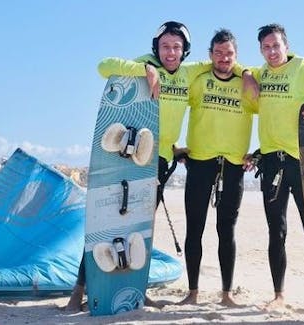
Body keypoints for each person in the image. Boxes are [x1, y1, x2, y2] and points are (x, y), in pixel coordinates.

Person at [66, 21, 209, 312]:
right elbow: (104, 66)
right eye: (165, 46)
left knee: (142, 228)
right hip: (130, 159)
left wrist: (245, 73)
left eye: (177, 47)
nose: (171, 52)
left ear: (185, 51)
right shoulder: (144, 63)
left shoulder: (188, 73)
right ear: (156, 48)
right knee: (106, 223)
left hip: (159, 160)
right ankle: (77, 293)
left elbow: (223, 59)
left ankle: (136, 291)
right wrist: (145, 70)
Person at [243, 23, 304, 312]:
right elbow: (243, 70)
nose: (271, 51)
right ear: (261, 50)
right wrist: (247, 76)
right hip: (271, 161)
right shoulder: (262, 73)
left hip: (302, 161)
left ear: (286, 46)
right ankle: (279, 294)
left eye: (276, 45)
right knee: (276, 231)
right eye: (266, 47)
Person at [179, 28, 256, 307]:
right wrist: (173, 146)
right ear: (210, 54)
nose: (224, 58)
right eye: (219, 53)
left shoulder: (247, 82)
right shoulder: (198, 81)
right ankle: (193, 292)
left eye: (230, 53)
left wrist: (259, 154)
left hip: (233, 166)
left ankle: (226, 294)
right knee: (194, 229)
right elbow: (172, 103)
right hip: (200, 162)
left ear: (236, 56)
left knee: (227, 230)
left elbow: (273, 111)